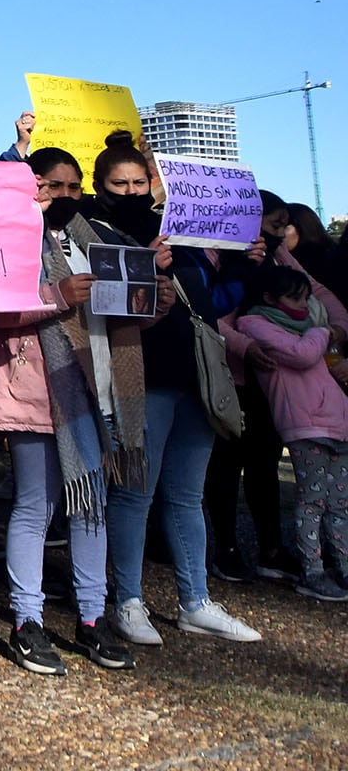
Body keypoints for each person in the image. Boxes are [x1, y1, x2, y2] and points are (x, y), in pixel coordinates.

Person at [0, 146, 156, 676]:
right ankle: (27, 619)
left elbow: (123, 314)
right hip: (36, 390)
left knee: (91, 507)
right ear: (33, 186)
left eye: (75, 187)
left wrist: (154, 298)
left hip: (97, 393)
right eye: (55, 186)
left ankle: (93, 618)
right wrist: (56, 294)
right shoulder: (9, 237)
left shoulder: (96, 241)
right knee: (35, 507)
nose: (66, 196)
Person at [90, 137, 261, 647]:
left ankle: (195, 601)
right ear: (101, 187)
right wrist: (141, 265)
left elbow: (209, 301)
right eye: (119, 184)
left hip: (194, 380)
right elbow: (103, 305)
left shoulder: (180, 233)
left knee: (188, 495)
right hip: (139, 378)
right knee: (133, 493)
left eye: (139, 182)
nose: (132, 191)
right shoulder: (94, 231)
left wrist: (245, 263)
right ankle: (128, 601)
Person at [210, 191, 348, 582]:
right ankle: (227, 547)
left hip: (275, 380)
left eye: (284, 225)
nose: (281, 233)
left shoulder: (277, 257)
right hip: (235, 375)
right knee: (227, 463)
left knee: (264, 464)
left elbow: (315, 290)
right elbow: (208, 312)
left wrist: (337, 326)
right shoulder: (220, 254)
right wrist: (246, 347)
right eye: (273, 225)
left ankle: (271, 547)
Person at [236, 266, 348, 601]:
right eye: (294, 298)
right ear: (269, 298)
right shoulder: (255, 324)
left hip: (337, 422)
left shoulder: (307, 329)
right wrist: (324, 332)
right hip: (304, 425)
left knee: (340, 503)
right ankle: (311, 571)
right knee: (312, 502)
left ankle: (342, 565)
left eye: (305, 298)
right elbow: (304, 355)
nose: (302, 305)